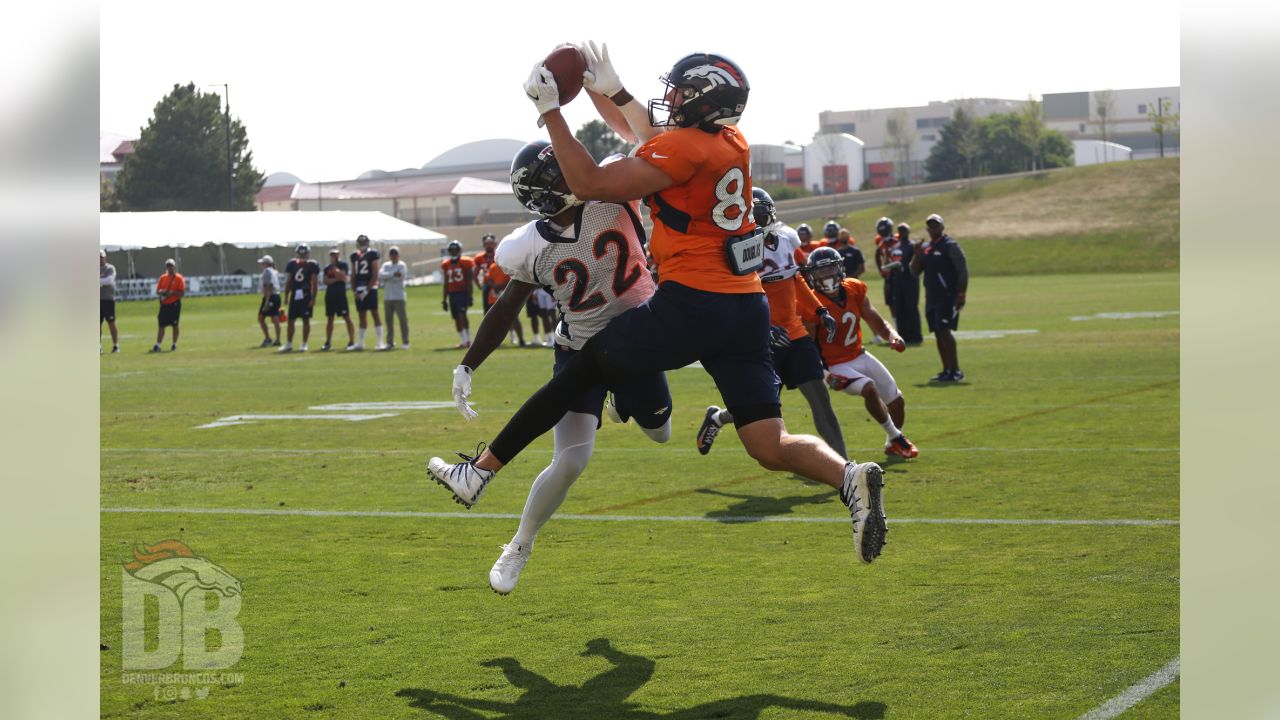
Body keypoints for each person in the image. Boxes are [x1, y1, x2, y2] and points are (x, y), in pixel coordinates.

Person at [429, 46, 887, 564]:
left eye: (683, 93)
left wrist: (549, 112)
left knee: (579, 371)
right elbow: (646, 136)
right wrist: (614, 92)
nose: (672, 100)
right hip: (746, 307)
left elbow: (588, 183)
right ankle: (849, 476)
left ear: (707, 100)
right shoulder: (729, 141)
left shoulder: (684, 150)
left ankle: (480, 470)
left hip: (693, 304)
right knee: (768, 443)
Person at [449, 139, 673, 594]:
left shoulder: (615, 195)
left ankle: (619, 403)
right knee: (571, 462)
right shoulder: (529, 246)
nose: (570, 174)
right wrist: (468, 364)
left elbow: (647, 144)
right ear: (539, 193)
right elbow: (507, 307)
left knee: (660, 432)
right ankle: (519, 545)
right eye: (556, 174)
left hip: (638, 344)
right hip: (579, 353)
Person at [696, 187, 848, 460]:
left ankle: (845, 468)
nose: (757, 220)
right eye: (752, 215)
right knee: (758, 408)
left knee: (820, 400)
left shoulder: (788, 239)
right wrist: (764, 328)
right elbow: (736, 296)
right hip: (761, 338)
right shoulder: (736, 246)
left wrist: (819, 309)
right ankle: (718, 417)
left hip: (795, 331)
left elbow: (795, 279)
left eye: (760, 214)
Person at [805, 247, 919, 459]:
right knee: (868, 388)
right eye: (821, 271)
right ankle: (897, 437)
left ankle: (891, 444)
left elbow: (876, 320)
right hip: (835, 363)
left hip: (859, 354)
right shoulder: (811, 302)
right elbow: (807, 347)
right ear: (812, 274)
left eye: (830, 269)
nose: (827, 275)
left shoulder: (854, 289)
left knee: (896, 401)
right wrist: (826, 375)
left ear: (839, 268)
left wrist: (893, 336)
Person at [910, 213, 968, 382]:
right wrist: (916, 253)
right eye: (930, 226)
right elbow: (914, 271)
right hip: (932, 296)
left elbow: (963, 271)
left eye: (936, 225)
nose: (933, 229)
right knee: (937, 332)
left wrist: (961, 294)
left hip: (947, 296)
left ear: (942, 227)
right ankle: (946, 370)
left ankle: (955, 370)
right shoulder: (926, 248)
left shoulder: (950, 246)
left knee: (945, 331)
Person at [885, 222, 923, 345]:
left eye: (905, 230)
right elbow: (891, 264)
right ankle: (903, 336)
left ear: (908, 232)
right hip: (897, 282)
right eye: (900, 231)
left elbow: (917, 262)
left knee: (911, 308)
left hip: (910, 282)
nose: (902, 233)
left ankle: (915, 336)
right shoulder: (895, 247)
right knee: (899, 308)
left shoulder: (912, 246)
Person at [280, 244, 319, 353]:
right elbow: (288, 281)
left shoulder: (312, 265)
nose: (302, 255)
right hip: (295, 294)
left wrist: (313, 298)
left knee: (305, 319)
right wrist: (286, 296)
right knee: (291, 320)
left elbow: (314, 283)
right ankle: (289, 343)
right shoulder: (292, 263)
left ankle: (304, 344)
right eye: (301, 253)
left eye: (304, 253)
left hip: (306, 294)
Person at [349, 234, 383, 351]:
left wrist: (367, 290)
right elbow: (353, 274)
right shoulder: (354, 256)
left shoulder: (372, 254)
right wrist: (354, 290)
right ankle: (361, 342)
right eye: (361, 242)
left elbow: (375, 273)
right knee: (361, 315)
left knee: (375, 313)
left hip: (370, 288)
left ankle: (380, 341)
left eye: (364, 242)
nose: (362, 245)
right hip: (359, 288)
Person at [440, 240, 475, 348]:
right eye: (452, 250)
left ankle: (468, 339)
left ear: (459, 250)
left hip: (462, 292)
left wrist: (470, 295)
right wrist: (444, 299)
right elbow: (446, 283)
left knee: (462, 314)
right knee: (456, 317)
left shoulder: (466, 262)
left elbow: (469, 280)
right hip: (452, 294)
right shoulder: (446, 264)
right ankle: (463, 340)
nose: (454, 252)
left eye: (456, 250)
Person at [321, 248, 355, 351]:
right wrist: (335, 279)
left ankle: (352, 341)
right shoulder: (327, 267)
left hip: (340, 294)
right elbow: (325, 281)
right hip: (330, 294)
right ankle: (328, 342)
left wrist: (335, 270)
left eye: (335, 255)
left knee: (346, 317)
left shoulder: (343, 265)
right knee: (330, 318)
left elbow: (343, 277)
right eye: (331, 255)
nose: (333, 256)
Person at [379, 246, 412, 349]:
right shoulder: (385, 265)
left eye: (395, 254)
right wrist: (393, 274)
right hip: (387, 297)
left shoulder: (402, 265)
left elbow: (400, 277)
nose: (393, 256)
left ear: (398, 255)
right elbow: (380, 276)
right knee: (388, 321)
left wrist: (388, 277)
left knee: (403, 320)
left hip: (399, 296)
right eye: (391, 254)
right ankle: (390, 342)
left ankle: (405, 341)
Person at [256, 254, 282, 347]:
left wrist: (266, 302)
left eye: (263, 263)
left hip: (270, 296)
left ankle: (269, 339)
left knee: (266, 317)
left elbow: (268, 287)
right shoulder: (274, 271)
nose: (261, 265)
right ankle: (276, 339)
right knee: (272, 318)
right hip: (275, 296)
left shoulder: (267, 272)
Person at [473, 234, 499, 314]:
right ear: (483, 245)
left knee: (502, 311)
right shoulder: (479, 258)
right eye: (487, 244)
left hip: (500, 285)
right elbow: (475, 273)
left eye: (491, 243)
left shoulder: (499, 255)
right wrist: (479, 285)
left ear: (495, 244)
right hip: (487, 287)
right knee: (488, 312)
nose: (489, 246)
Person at [100, 250, 119, 353]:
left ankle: (116, 345)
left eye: (101, 257)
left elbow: (109, 280)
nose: (99, 259)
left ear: (105, 257)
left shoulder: (109, 268)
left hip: (108, 299)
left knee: (111, 322)